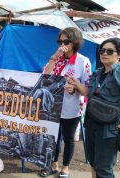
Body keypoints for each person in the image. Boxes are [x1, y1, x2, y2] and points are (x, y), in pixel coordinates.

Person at [67, 37, 120, 178]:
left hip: (109, 128)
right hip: (92, 123)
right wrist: (77, 84)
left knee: (104, 169)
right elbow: (88, 93)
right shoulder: (98, 72)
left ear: (119, 55)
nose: (104, 54)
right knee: (93, 162)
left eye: (110, 51)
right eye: (102, 50)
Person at [39, 27, 91, 177]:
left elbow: (88, 88)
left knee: (68, 138)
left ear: (75, 42)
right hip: (53, 105)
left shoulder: (83, 61)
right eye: (60, 41)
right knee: (53, 138)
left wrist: (75, 88)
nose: (62, 44)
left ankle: (65, 167)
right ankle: (53, 165)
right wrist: (55, 56)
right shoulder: (57, 59)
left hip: (72, 107)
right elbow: (45, 76)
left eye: (66, 41)